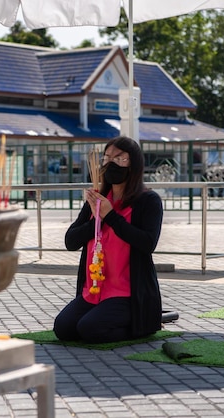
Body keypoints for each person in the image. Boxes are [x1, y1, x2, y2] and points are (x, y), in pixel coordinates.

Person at [53, 136, 164, 344]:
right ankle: (103, 316)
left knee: (90, 329)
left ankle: (141, 324)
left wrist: (111, 216)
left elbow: (148, 243)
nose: (111, 162)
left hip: (126, 294)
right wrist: (97, 219)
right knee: (63, 328)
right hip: (94, 292)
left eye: (119, 158)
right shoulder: (97, 200)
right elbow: (71, 241)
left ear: (134, 163)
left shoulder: (148, 201)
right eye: (107, 158)